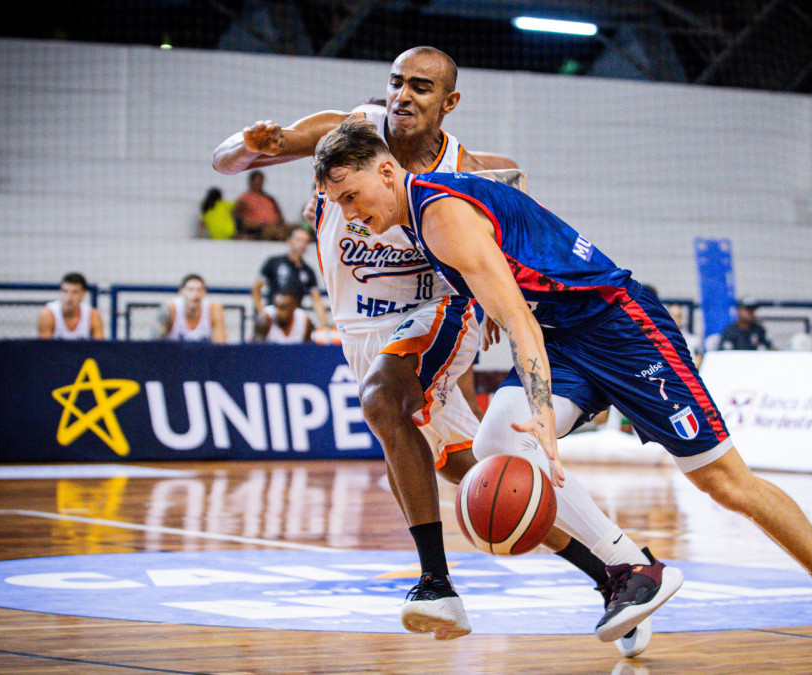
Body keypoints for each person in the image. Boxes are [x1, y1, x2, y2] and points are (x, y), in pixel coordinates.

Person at [312, 115, 812, 675]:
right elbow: (508, 204)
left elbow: (522, 326)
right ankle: (630, 568)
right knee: (494, 450)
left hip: (620, 328)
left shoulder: (439, 216)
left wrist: (541, 414)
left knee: (724, 483)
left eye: (350, 195)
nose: (349, 213)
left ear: (387, 172)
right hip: (566, 340)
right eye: (336, 203)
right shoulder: (419, 207)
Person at [213, 47, 658, 656]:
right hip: (358, 330)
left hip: (435, 313)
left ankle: (435, 583)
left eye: (420, 86)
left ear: (447, 103)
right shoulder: (349, 132)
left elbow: (510, 209)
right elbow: (228, 162)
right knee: (480, 478)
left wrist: (498, 287)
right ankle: (616, 572)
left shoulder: (461, 169)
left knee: (382, 401)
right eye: (396, 82)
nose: (403, 94)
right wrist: (249, 140)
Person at [251, 224, 332, 329]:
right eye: (298, 240)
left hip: (295, 317)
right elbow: (256, 289)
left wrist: (325, 324)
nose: (302, 244)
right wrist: (261, 312)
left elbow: (316, 300)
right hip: (274, 313)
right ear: (289, 241)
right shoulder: (274, 262)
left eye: (305, 241)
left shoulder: (308, 271)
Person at [158, 273, 227, 343]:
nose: (195, 294)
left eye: (199, 290)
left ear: (204, 293)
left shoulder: (213, 309)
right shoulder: (171, 308)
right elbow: (156, 344)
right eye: (190, 290)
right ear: (181, 292)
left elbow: (220, 345)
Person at [37, 272, 104, 340]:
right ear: (60, 292)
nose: (69, 297)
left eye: (75, 292)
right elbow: (44, 348)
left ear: (83, 294)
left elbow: (100, 347)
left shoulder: (92, 315)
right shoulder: (48, 314)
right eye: (65, 291)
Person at [234, 170, 287, 240]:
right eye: (256, 181)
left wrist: (279, 223)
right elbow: (238, 217)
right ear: (251, 182)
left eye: (260, 181)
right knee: (273, 232)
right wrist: (256, 224)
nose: (258, 184)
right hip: (259, 229)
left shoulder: (269, 198)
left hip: (275, 226)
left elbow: (280, 215)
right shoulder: (244, 198)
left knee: (294, 228)